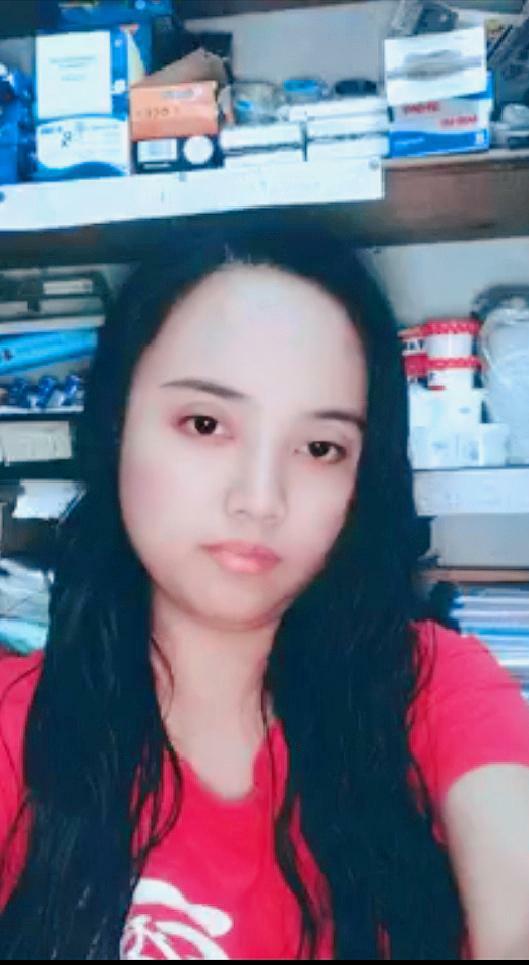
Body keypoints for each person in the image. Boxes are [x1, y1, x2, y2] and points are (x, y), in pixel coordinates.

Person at [1, 224, 529, 961]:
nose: (260, 499)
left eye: (319, 447)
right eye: (206, 423)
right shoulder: (17, 731)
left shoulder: (431, 687)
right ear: (117, 425)